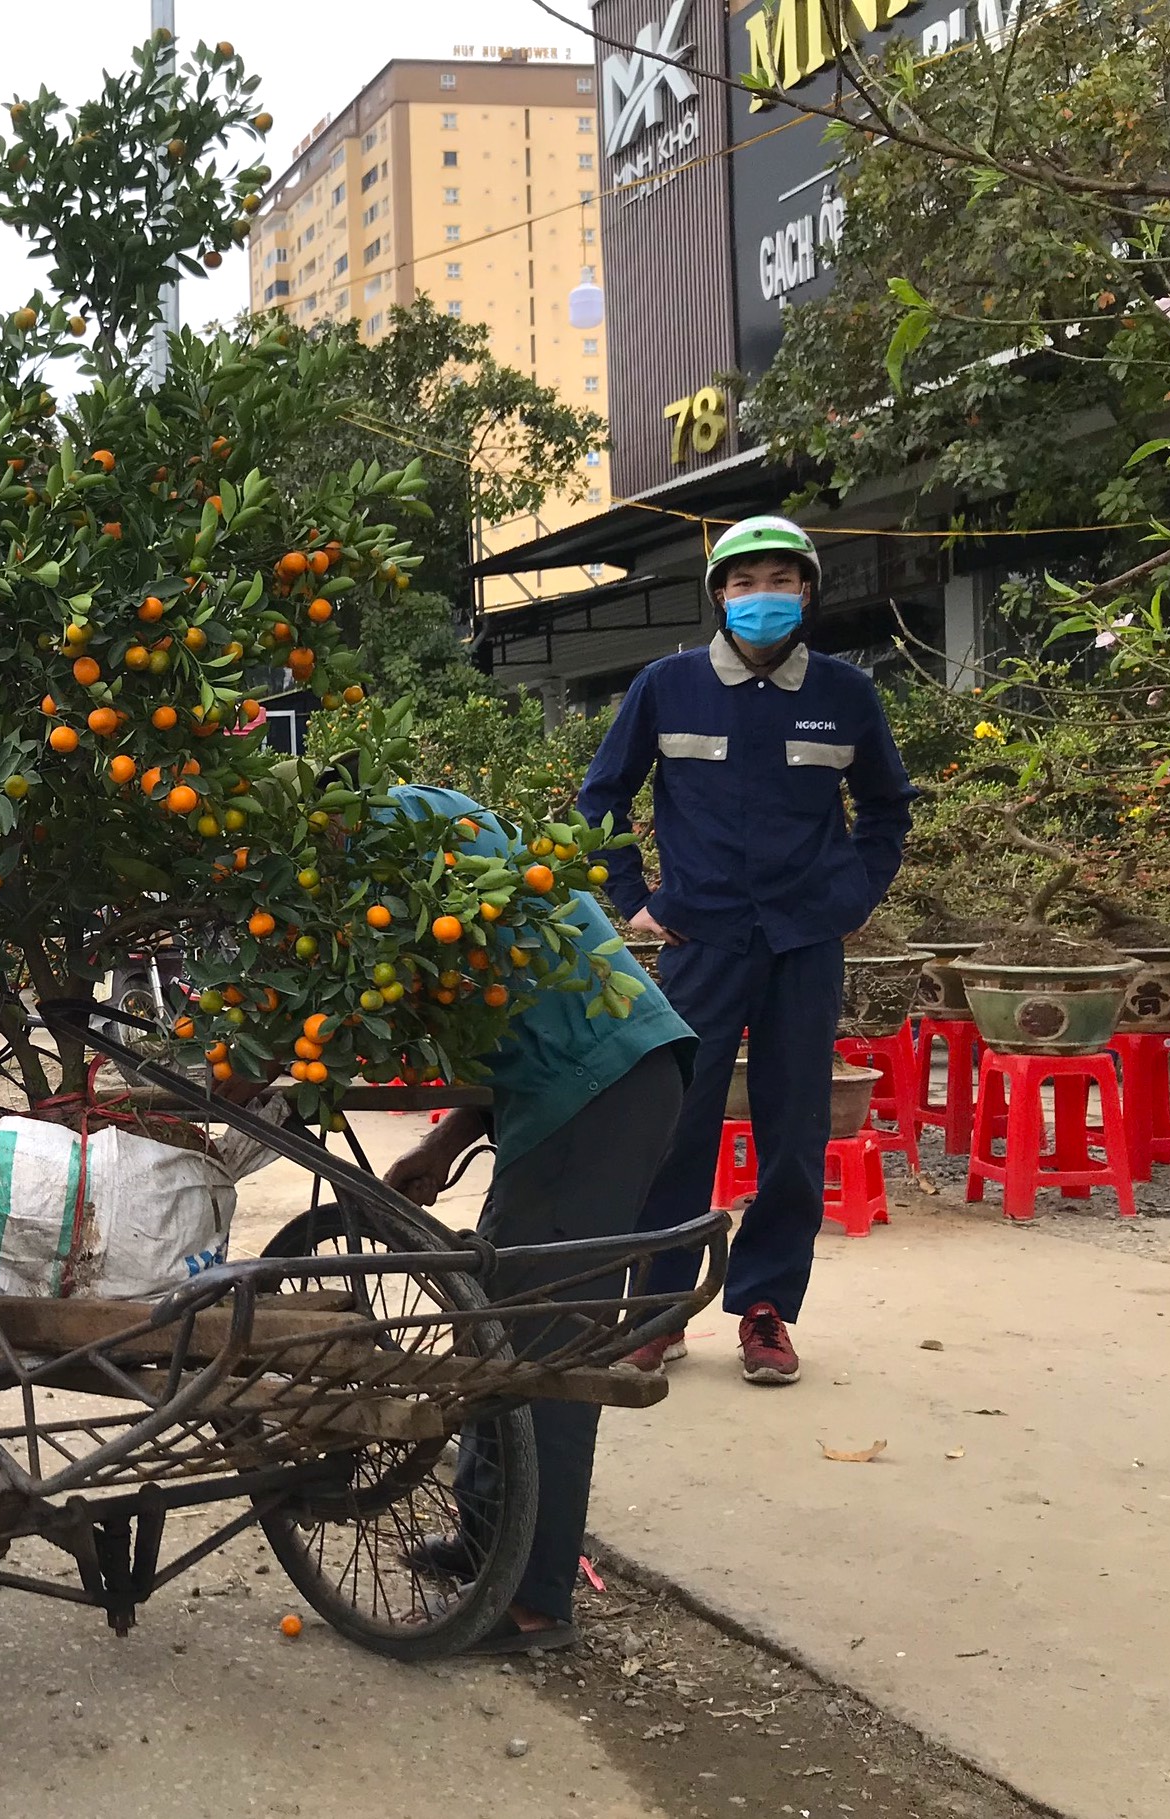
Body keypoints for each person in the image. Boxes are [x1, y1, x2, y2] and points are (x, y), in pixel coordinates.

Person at [577, 515, 914, 1386]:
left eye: (781, 579)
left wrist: (853, 896)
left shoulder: (845, 695)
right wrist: (635, 899)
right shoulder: (667, 685)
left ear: (807, 591)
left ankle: (765, 1308)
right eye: (744, 581)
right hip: (704, 939)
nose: (763, 595)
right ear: (719, 595)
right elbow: (602, 796)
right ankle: (657, 1308)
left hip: (805, 943)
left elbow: (886, 808)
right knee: (675, 1127)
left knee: (794, 1130)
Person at [375, 784, 696, 1652]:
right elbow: (512, 1014)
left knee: (543, 1343)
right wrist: (446, 1143)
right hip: (590, 1081)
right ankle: (488, 1541)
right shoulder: (433, 828)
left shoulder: (388, 846)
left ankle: (530, 1598)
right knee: (499, 1316)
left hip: (600, 1091)